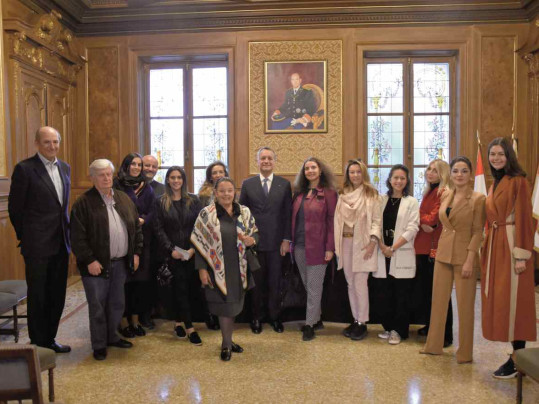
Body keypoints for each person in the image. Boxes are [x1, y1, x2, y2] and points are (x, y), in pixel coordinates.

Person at [70, 159, 143, 360]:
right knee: (98, 307)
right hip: (96, 265)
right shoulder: (83, 203)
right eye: (101, 175)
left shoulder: (123, 198)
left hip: (120, 263)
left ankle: (112, 336)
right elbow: (77, 237)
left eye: (109, 174)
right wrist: (89, 260)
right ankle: (99, 344)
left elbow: (136, 228)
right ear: (92, 178)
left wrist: (136, 253)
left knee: (117, 304)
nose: (106, 178)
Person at [8, 126, 71, 353]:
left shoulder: (65, 168)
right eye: (47, 142)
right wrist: (27, 236)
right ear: (37, 143)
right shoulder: (25, 169)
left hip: (61, 243)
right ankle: (37, 345)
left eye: (55, 142)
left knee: (57, 295)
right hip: (37, 246)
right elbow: (15, 209)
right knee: (38, 296)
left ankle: (50, 339)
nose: (52, 146)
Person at [421, 156, 486, 363]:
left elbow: (477, 232)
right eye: (456, 171)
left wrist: (470, 260)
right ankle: (433, 346)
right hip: (443, 253)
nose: (459, 175)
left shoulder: (478, 199)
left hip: (464, 256)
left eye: (464, 171)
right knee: (438, 302)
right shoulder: (446, 194)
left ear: (470, 175)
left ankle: (465, 352)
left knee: (465, 306)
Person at [481, 137, 536, 378]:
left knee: (517, 304)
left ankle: (518, 359)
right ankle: (516, 355)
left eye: (500, 154)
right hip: (496, 244)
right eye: (492, 154)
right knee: (503, 301)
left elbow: (525, 218)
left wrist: (522, 255)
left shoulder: (519, 181)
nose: (495, 158)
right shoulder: (496, 182)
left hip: (513, 245)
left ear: (509, 156)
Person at [191, 177, 259, 361]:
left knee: (234, 306)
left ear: (234, 192)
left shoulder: (244, 212)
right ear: (215, 192)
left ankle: (228, 339)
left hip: (239, 267)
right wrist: (202, 270)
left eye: (230, 190)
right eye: (222, 191)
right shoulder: (207, 214)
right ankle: (226, 344)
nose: (226, 194)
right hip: (216, 267)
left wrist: (252, 240)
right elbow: (199, 243)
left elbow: (255, 233)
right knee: (224, 307)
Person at [239, 147, 292, 334]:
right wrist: (245, 237)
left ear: (274, 161)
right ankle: (256, 317)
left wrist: (286, 239)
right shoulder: (248, 184)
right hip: (254, 244)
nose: (266, 161)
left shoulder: (284, 185)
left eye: (270, 158)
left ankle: (275, 317)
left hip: (277, 244)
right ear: (258, 161)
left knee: (275, 283)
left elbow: (287, 215)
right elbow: (242, 214)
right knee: (257, 284)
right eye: (263, 158)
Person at [154, 166, 203, 345]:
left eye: (179, 177)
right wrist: (170, 250)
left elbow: (200, 227)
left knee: (187, 289)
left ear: (183, 180)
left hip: (190, 253)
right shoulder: (160, 201)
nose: (176, 180)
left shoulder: (194, 200)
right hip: (171, 254)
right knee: (178, 288)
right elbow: (158, 229)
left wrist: (192, 249)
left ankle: (178, 322)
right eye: (172, 177)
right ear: (167, 180)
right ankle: (190, 328)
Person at [372, 164, 419, 345]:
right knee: (385, 293)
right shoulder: (381, 200)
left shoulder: (411, 202)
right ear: (389, 179)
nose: (398, 181)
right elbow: (375, 224)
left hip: (401, 251)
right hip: (382, 251)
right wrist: (383, 246)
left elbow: (412, 228)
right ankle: (389, 327)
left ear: (407, 181)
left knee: (401, 294)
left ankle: (399, 331)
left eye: (402, 178)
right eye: (395, 177)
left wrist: (393, 248)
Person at [334, 159, 381, 341]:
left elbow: (376, 221)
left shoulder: (371, 194)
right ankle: (355, 319)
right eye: (351, 172)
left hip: (363, 243)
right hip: (345, 243)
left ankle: (362, 322)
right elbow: (338, 221)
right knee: (350, 283)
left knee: (361, 284)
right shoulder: (343, 194)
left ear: (363, 173)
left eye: (358, 172)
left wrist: (372, 242)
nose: (355, 175)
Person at [291, 157, 337, 341]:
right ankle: (317, 320)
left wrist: (330, 247)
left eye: (313, 167)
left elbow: (333, 222)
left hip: (319, 248)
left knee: (314, 287)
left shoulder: (330, 193)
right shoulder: (299, 193)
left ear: (320, 170)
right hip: (299, 247)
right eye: (306, 168)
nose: (310, 171)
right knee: (308, 286)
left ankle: (309, 325)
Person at [113, 153, 156, 338]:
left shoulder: (146, 187)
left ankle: (136, 321)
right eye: (133, 164)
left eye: (139, 164)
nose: (137, 167)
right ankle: (123, 321)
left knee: (139, 282)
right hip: (123, 237)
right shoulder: (117, 184)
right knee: (124, 283)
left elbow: (153, 210)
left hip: (142, 239)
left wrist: (144, 219)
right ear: (126, 165)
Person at [413, 159, 453, 347]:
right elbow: (426, 221)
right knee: (427, 292)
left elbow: (431, 220)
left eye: (435, 170)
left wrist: (416, 215)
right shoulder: (429, 191)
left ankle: (445, 334)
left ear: (443, 174)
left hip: (434, 247)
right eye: (429, 169)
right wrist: (422, 220)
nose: (430, 172)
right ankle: (431, 326)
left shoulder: (443, 192)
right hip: (423, 246)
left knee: (440, 292)